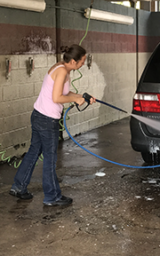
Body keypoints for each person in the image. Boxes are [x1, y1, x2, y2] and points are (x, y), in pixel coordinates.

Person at [9, 44, 95, 206]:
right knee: (50, 158)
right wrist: (76, 99)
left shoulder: (60, 67)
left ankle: (19, 186)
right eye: (82, 61)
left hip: (39, 115)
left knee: (34, 152)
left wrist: (82, 96)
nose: (83, 64)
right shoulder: (62, 72)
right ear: (74, 61)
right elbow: (57, 98)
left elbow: (63, 93)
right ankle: (52, 196)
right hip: (47, 120)